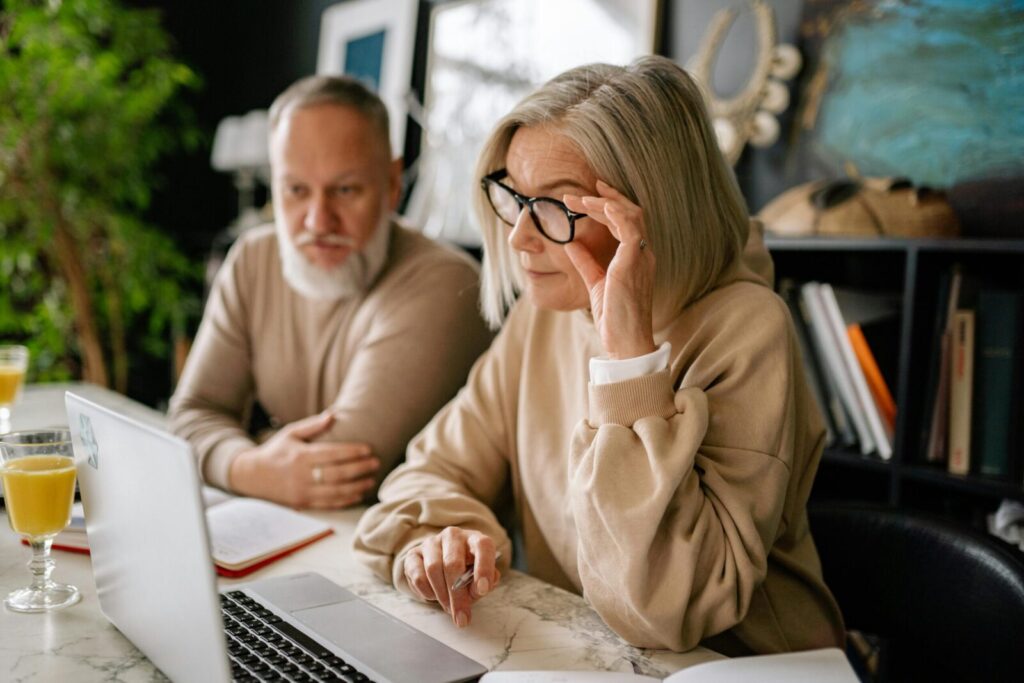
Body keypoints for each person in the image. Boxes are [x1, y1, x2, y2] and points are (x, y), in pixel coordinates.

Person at [353, 56, 845, 654]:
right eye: (513, 195)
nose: (518, 237)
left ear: (653, 216)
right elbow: (429, 473)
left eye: (558, 207)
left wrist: (630, 363)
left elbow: (664, 611)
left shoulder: (748, 329)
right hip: (591, 652)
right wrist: (446, 538)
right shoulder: (545, 314)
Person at [169, 75, 493, 510]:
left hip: (412, 553)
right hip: (301, 535)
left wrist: (242, 451)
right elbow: (189, 414)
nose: (319, 221)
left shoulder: (447, 284)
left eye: (345, 190)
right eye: (296, 190)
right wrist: (251, 466)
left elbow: (341, 473)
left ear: (392, 185)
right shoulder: (253, 259)